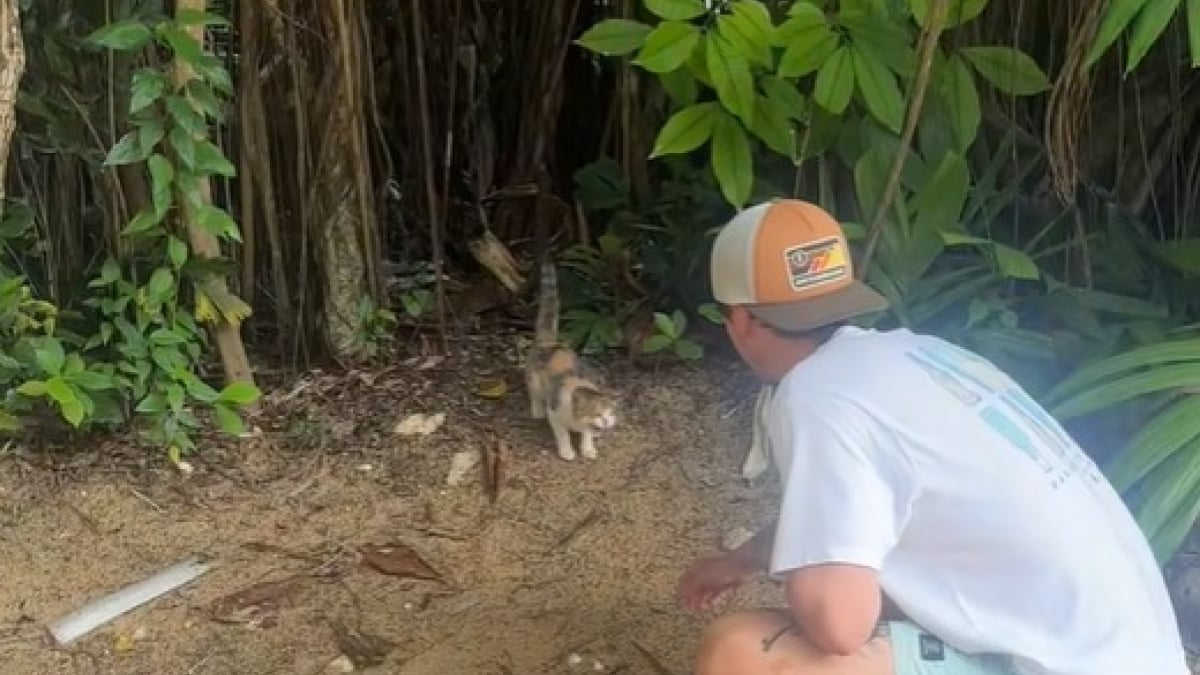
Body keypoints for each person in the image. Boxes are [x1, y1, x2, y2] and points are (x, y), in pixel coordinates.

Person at [678, 198, 1190, 675]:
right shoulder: (917, 355)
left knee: (740, 653)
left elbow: (839, 624)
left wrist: (813, 587)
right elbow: (845, 522)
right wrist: (741, 561)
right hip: (1129, 655)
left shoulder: (816, 396)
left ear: (741, 320)